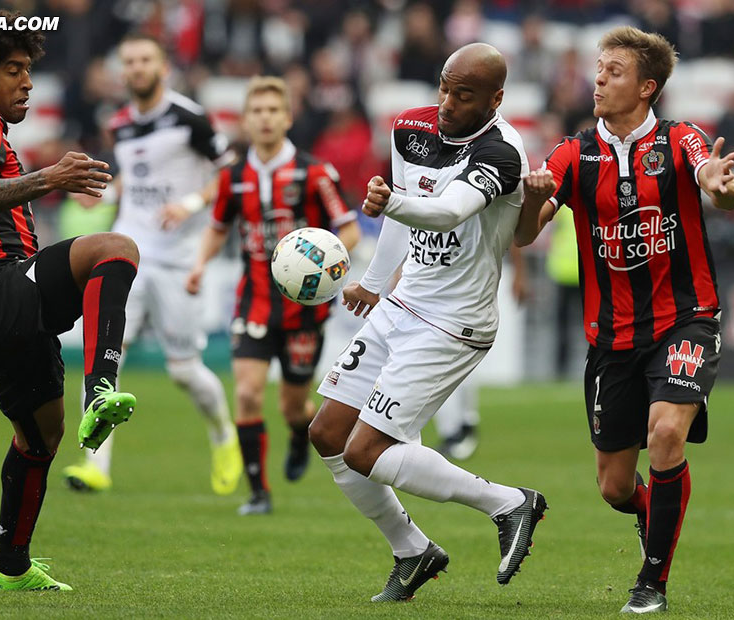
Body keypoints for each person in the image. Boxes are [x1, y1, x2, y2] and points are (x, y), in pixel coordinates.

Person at [308, 43, 551, 602]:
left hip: (454, 322)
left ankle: (509, 503)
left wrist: (389, 203)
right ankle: (412, 550)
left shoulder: (502, 152)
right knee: (327, 434)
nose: (446, 103)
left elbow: (446, 212)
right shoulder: (410, 129)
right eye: (444, 87)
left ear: (496, 99)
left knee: (367, 451)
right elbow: (404, 211)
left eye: (462, 95)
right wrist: (374, 280)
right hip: (403, 303)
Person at [515, 26, 734, 614]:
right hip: (611, 337)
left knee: (665, 433)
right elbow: (523, 235)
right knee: (615, 487)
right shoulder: (572, 153)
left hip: (685, 319)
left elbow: (712, 182)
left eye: (613, 71)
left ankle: (652, 584)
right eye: (598, 68)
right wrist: (530, 200)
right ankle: (654, 518)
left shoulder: (681, 140)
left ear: (647, 87)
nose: (598, 78)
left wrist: (719, 186)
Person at [0, 11, 140, 591]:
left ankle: (9, 566)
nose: (27, 82)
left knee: (41, 436)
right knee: (114, 248)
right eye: (12, 70)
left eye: (28, 70)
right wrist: (52, 176)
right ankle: (104, 387)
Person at [61, 33, 241, 496]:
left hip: (177, 259)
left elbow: (230, 172)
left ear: (162, 67)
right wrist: (105, 190)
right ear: (123, 71)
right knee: (103, 360)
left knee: (184, 371)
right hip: (125, 253)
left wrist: (189, 202)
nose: (137, 68)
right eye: (130, 61)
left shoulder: (190, 118)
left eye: (145, 60)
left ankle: (223, 434)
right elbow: (136, 175)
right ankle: (95, 466)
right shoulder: (119, 123)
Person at [185, 76, 361, 515]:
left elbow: (350, 228)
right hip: (254, 301)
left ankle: (300, 435)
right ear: (245, 121)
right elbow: (218, 227)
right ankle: (259, 493)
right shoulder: (232, 177)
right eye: (256, 111)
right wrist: (199, 265)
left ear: (287, 117)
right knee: (246, 393)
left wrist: (329, 260)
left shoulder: (315, 173)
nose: (263, 119)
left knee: (294, 405)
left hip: (304, 309)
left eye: (271, 111)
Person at [432, 244, 529, 460]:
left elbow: (513, 232)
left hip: (472, 283)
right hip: (441, 281)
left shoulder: (483, 210)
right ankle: (460, 425)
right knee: (446, 355)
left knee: (455, 354)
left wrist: (520, 273)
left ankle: (461, 426)